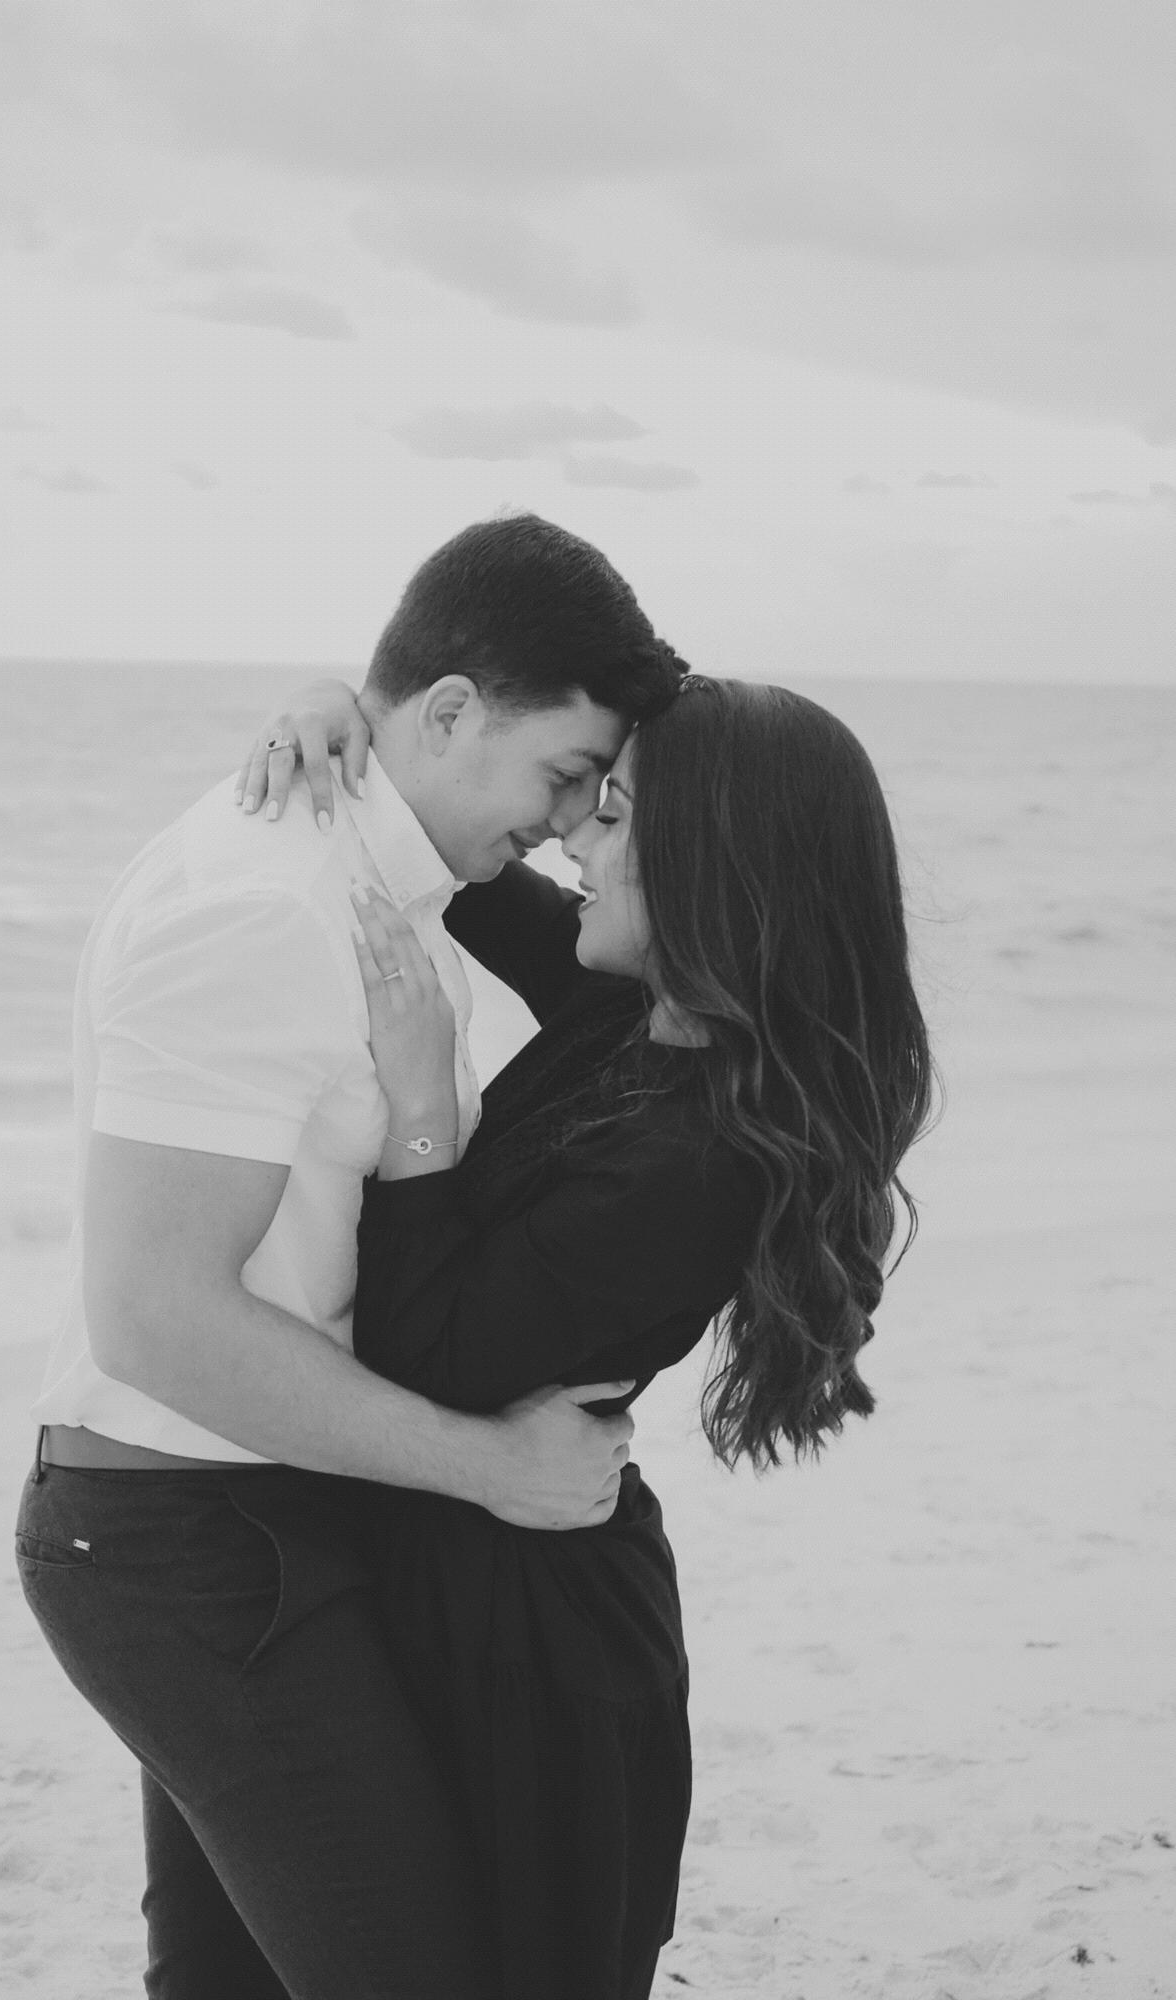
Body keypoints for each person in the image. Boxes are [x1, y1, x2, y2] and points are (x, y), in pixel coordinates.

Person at [15, 514, 685, 1999]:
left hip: (270, 1510)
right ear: (448, 712)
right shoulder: (268, 901)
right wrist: (487, 1466)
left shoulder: (379, 872)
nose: (569, 824)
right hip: (180, 1536)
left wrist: (337, 699)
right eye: (563, 775)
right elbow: (154, 1317)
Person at [234, 670, 935, 1999]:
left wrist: (421, 1108)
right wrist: (342, 710)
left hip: (529, 1644)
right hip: (466, 1567)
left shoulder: (707, 1153)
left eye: (611, 817)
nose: (570, 839)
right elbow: (448, 831)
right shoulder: (636, 1006)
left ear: (712, 868)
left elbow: (424, 1352)